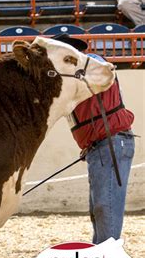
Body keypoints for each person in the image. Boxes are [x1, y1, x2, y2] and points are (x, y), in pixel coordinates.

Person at [53, 34, 136, 245]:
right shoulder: (67, 79)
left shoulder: (92, 62)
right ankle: (102, 254)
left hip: (111, 142)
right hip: (101, 146)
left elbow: (104, 70)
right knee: (99, 206)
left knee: (104, 205)